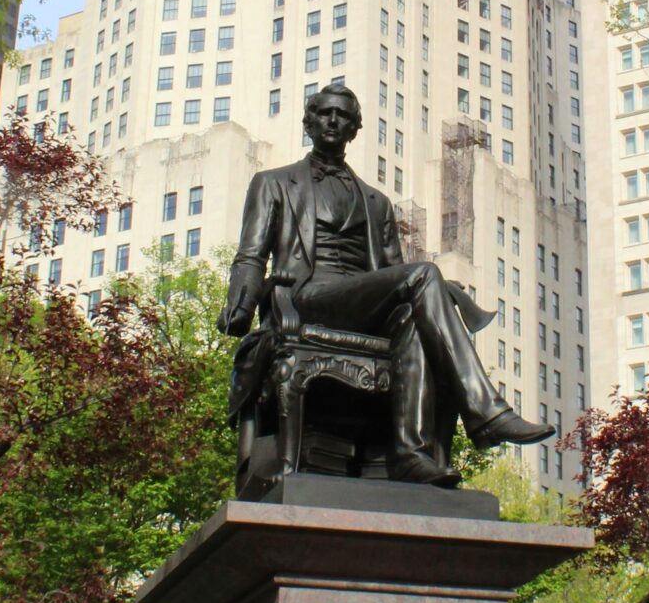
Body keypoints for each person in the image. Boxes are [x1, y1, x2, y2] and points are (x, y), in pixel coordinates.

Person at [218, 83, 554, 485]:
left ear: (355, 129)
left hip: (360, 302)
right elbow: (251, 255)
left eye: (343, 116)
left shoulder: (375, 202)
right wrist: (239, 307)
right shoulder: (273, 183)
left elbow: (394, 274)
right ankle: (487, 414)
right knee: (426, 274)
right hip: (307, 295)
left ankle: (410, 455)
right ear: (308, 122)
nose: (333, 120)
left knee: (415, 319)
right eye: (325, 112)